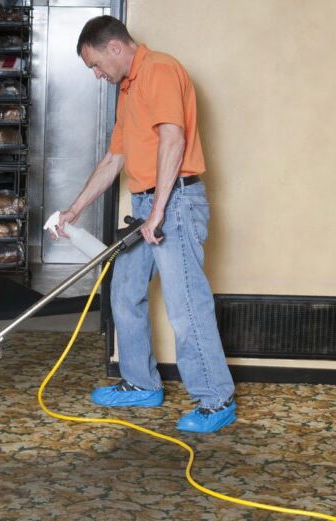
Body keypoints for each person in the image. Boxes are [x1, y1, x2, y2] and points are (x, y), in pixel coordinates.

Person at [53, 16, 236, 433]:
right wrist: (75, 208)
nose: (98, 75)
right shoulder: (129, 89)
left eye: (96, 65)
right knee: (125, 291)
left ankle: (216, 398)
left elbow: (174, 139)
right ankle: (140, 383)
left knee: (186, 303)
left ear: (115, 47)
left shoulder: (160, 70)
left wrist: (157, 212)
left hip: (174, 203)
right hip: (146, 204)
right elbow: (114, 158)